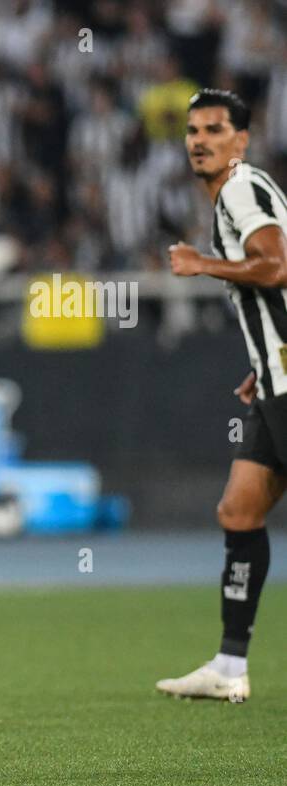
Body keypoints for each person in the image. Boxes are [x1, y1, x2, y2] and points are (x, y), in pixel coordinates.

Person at [162, 89, 287, 701]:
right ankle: (229, 668)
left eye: (215, 128)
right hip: (276, 376)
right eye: (192, 130)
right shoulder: (237, 196)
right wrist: (261, 363)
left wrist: (202, 264)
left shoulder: (242, 189)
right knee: (239, 511)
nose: (200, 140)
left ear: (241, 140)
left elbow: (276, 266)